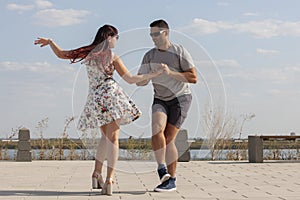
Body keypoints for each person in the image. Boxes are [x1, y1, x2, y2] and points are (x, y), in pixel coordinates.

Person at [34, 24, 163, 195]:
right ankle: (109, 179)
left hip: (96, 98)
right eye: (116, 37)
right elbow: (130, 79)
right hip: (111, 95)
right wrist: (153, 74)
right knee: (114, 139)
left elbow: (62, 54)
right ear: (109, 37)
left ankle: (96, 173)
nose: (117, 40)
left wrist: (50, 42)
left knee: (105, 137)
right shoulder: (112, 56)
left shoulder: (89, 54)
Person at [137, 19, 197, 192]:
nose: (153, 38)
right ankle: (162, 169)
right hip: (160, 98)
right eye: (151, 35)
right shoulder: (149, 55)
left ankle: (172, 180)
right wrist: (148, 76)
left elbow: (193, 78)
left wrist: (170, 73)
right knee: (156, 130)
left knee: (169, 138)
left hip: (180, 98)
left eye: (156, 34)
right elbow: (140, 82)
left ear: (166, 32)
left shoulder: (179, 51)